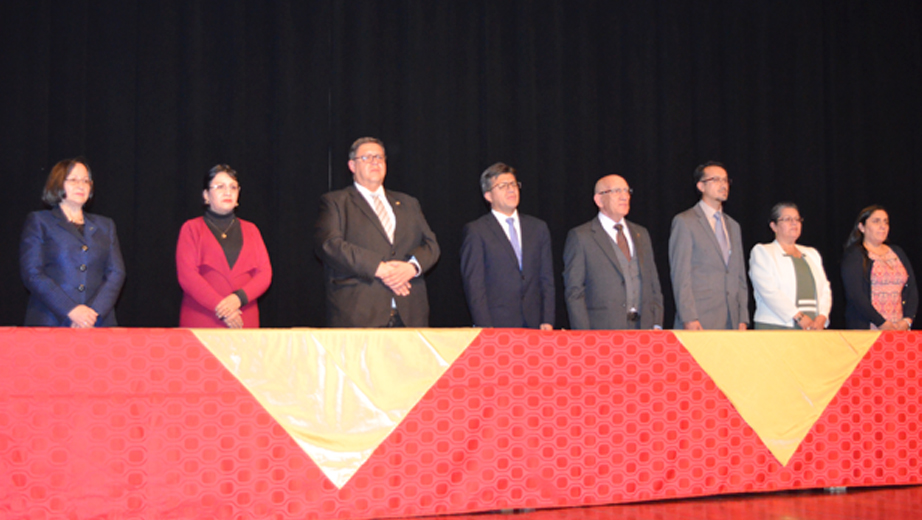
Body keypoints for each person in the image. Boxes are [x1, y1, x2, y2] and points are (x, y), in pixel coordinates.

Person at [315, 137, 440, 327]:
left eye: (379, 157)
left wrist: (411, 268)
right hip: (359, 313)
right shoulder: (336, 202)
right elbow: (330, 245)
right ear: (352, 165)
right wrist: (380, 268)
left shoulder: (408, 202)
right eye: (366, 157)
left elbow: (431, 245)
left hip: (410, 312)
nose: (375, 162)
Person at [20, 158, 126, 327]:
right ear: (58, 183)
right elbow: (32, 273)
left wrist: (93, 313)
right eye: (74, 180)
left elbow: (116, 273)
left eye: (86, 181)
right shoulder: (39, 221)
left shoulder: (106, 225)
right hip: (51, 320)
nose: (81, 185)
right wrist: (70, 310)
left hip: (98, 322)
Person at [176, 165, 272, 328]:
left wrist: (238, 299)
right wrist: (222, 308)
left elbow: (265, 274)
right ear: (206, 195)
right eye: (220, 186)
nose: (228, 192)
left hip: (243, 319)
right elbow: (187, 277)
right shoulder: (191, 228)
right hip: (202, 320)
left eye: (233, 187)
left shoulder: (252, 230)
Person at [460, 162, 554, 329]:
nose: (511, 190)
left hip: (535, 324)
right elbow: (475, 286)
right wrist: (484, 326)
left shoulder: (538, 228)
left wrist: (547, 319)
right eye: (503, 186)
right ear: (488, 196)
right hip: (496, 325)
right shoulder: (477, 231)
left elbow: (546, 278)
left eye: (513, 184)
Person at [563, 175, 663, 329]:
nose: (624, 196)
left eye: (626, 190)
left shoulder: (641, 233)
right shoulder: (581, 237)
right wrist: (583, 335)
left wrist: (657, 323)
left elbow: (653, 283)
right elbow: (574, 293)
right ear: (599, 200)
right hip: (603, 330)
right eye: (616, 191)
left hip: (644, 329)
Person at [669, 161, 749, 330]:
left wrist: (743, 317)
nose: (723, 185)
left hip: (732, 319)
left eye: (726, 180)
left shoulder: (733, 226)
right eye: (716, 180)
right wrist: (689, 316)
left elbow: (739, 276)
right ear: (701, 186)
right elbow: (680, 275)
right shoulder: (685, 222)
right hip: (700, 318)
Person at [748, 203, 831, 330]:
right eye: (787, 219)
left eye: (797, 219)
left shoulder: (812, 253)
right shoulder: (763, 251)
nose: (794, 223)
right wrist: (798, 317)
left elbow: (825, 289)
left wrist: (822, 316)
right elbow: (769, 291)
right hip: (777, 326)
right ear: (774, 226)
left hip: (813, 328)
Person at [841, 205, 917, 330]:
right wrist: (881, 323)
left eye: (885, 222)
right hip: (870, 328)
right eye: (876, 221)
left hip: (899, 327)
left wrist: (907, 320)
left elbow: (912, 289)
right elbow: (856, 295)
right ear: (862, 227)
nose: (883, 226)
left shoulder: (897, 252)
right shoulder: (854, 255)